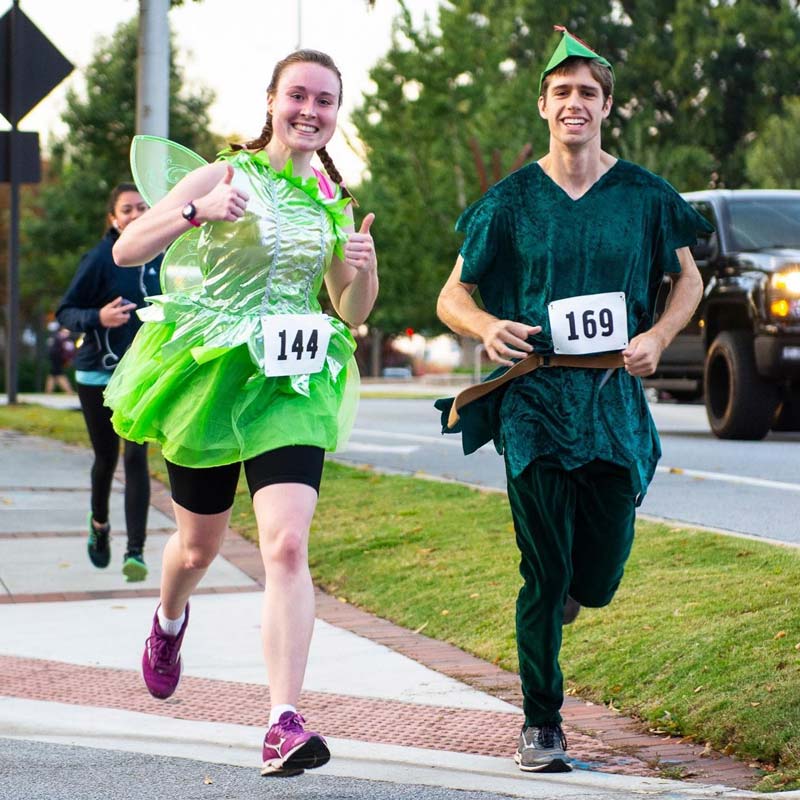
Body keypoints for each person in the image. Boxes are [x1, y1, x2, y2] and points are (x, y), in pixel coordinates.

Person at [436, 27, 711, 774]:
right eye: (562, 93)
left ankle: (574, 593)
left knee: (597, 576)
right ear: (543, 106)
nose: (574, 104)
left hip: (613, 399)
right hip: (535, 401)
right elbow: (451, 294)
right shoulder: (513, 200)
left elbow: (688, 279)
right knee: (543, 572)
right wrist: (488, 325)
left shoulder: (644, 196)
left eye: (587, 92)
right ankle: (541, 722)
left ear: (607, 106)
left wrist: (657, 335)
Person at [105, 49, 378, 776]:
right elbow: (131, 244)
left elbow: (348, 307)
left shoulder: (330, 197)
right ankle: (168, 620)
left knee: (285, 545)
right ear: (272, 101)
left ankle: (283, 721)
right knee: (198, 548)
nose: (310, 111)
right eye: (299, 96)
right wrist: (196, 211)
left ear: (334, 113)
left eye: (325, 100)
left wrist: (365, 262)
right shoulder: (224, 174)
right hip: (214, 377)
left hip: (289, 383)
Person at [56, 184, 162, 582]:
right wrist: (98, 318)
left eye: (142, 207)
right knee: (107, 459)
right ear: (113, 219)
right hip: (98, 372)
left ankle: (135, 551)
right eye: (127, 209)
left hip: (141, 374)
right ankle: (99, 525)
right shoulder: (101, 258)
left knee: (137, 457)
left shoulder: (162, 257)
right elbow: (65, 310)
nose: (135, 215)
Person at [44, 324, 75, 394]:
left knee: (52, 375)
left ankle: (48, 391)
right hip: (56, 359)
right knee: (59, 374)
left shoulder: (57, 339)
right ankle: (69, 391)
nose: (67, 334)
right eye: (65, 332)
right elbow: (62, 352)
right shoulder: (59, 339)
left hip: (56, 359)